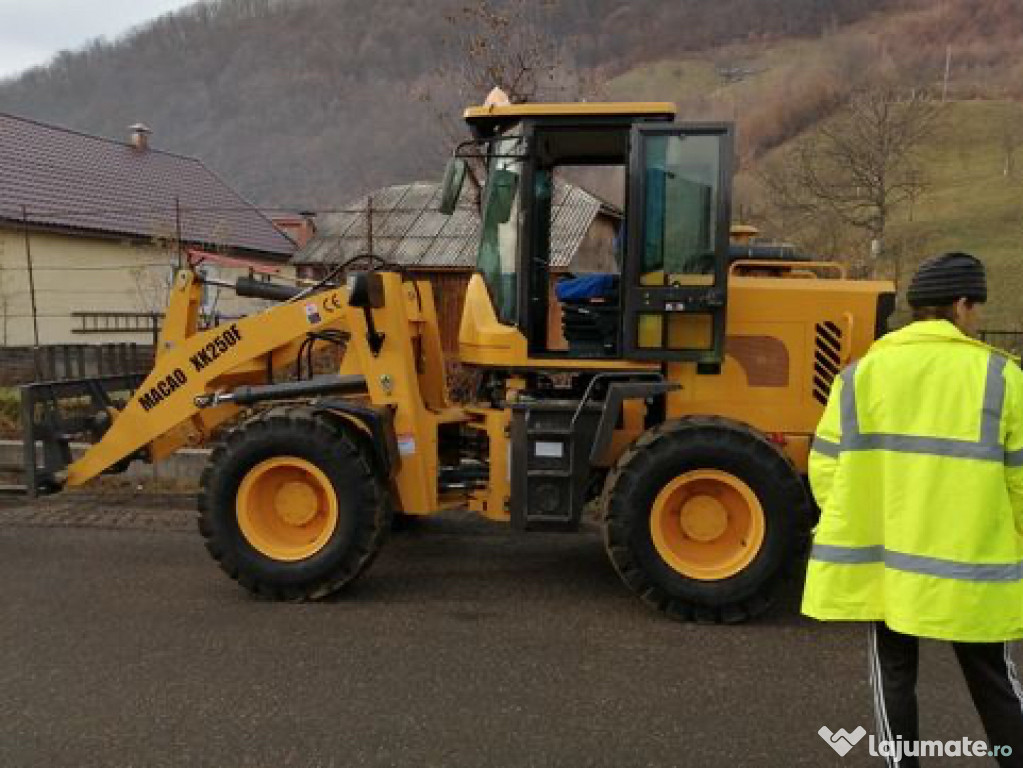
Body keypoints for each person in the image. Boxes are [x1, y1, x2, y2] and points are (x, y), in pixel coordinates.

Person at [802, 252, 1023, 767]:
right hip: (974, 566)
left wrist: (863, 520)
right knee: (994, 681)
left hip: (889, 565)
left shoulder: (860, 377)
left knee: (895, 677)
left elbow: (826, 470)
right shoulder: (1001, 377)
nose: (979, 319)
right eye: (977, 308)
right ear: (961, 306)